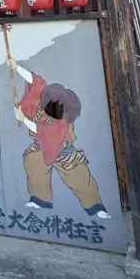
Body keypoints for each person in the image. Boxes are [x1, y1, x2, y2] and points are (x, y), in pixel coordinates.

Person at [9, 58, 110, 219]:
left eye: (59, 108)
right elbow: (36, 82)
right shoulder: (42, 104)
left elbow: (41, 131)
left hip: (64, 154)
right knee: (34, 168)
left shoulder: (60, 125)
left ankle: (95, 208)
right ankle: (41, 201)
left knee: (80, 178)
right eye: (51, 104)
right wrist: (17, 68)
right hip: (40, 149)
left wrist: (24, 120)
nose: (52, 109)